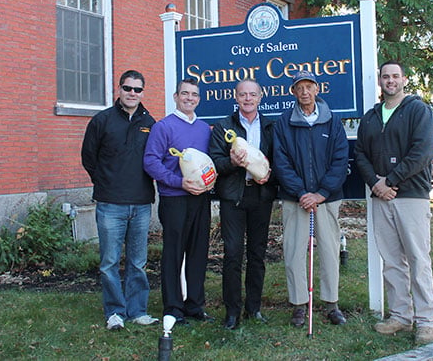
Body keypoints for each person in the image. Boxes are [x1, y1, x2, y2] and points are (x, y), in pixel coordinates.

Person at [354, 60, 433, 345]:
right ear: (379, 81)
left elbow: (422, 153)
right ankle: (401, 316)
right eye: (385, 76)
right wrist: (376, 185)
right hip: (381, 197)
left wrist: (389, 181)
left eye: (395, 76)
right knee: (391, 261)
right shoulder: (371, 117)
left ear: (404, 79)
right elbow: (360, 154)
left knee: (418, 259)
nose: (390, 80)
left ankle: (427, 321)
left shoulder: (418, 110)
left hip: (411, 195)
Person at [81, 69, 159, 330]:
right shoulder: (102, 121)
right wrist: (105, 181)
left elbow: (156, 159)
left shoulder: (150, 123)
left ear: (142, 92)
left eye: (137, 90)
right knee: (109, 262)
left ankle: (137, 310)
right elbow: (88, 158)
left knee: (138, 262)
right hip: (110, 203)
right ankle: (115, 312)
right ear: (119, 89)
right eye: (128, 88)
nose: (132, 94)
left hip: (140, 203)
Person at [272, 70, 349, 327]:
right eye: (299, 88)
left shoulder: (332, 121)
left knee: (329, 250)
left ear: (317, 89)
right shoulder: (284, 122)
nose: (305, 92)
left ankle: (331, 304)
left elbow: (340, 160)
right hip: (296, 199)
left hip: (327, 198)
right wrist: (302, 193)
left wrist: (321, 193)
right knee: (294, 252)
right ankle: (298, 305)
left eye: (309, 87)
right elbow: (280, 162)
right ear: (293, 92)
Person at [143, 78, 214, 326]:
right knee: (174, 254)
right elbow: (151, 162)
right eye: (185, 94)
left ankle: (195, 305)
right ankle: (173, 307)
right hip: (175, 199)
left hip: (200, 199)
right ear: (176, 96)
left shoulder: (205, 129)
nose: (189, 98)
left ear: (199, 99)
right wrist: (177, 182)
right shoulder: (163, 127)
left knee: (198, 252)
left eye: (194, 94)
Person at [209, 79, 277, 330]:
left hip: (261, 196)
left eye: (252, 95)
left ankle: (254, 308)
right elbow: (215, 161)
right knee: (233, 254)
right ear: (235, 98)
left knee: (257, 254)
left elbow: (280, 159)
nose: (247, 99)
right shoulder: (224, 127)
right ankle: (232, 311)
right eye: (242, 95)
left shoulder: (271, 126)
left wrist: (273, 175)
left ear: (260, 97)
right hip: (233, 197)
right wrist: (232, 162)